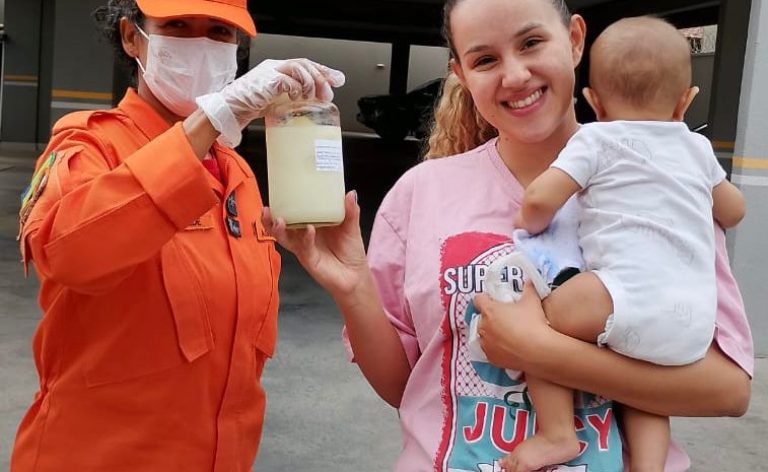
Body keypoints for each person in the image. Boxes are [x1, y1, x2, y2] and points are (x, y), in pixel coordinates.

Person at [264, 0, 753, 471]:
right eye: (485, 59)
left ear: (575, 40)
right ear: (460, 74)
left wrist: (540, 352)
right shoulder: (421, 192)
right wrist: (353, 288)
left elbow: (728, 389)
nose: (515, 75)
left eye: (532, 42)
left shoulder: (668, 188)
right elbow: (406, 388)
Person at [12, 0, 343, 470]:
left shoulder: (236, 175)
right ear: (132, 37)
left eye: (219, 32)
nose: (200, 44)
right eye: (178, 25)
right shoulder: (90, 145)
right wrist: (212, 118)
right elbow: (68, 253)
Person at [506, 16, 746, 472]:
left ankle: (557, 433)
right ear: (686, 100)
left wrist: (529, 220)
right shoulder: (695, 148)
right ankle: (648, 467)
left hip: (621, 295)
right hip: (691, 324)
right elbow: (733, 211)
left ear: (593, 101)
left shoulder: (596, 138)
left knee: (537, 325)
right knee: (644, 386)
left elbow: (540, 198)